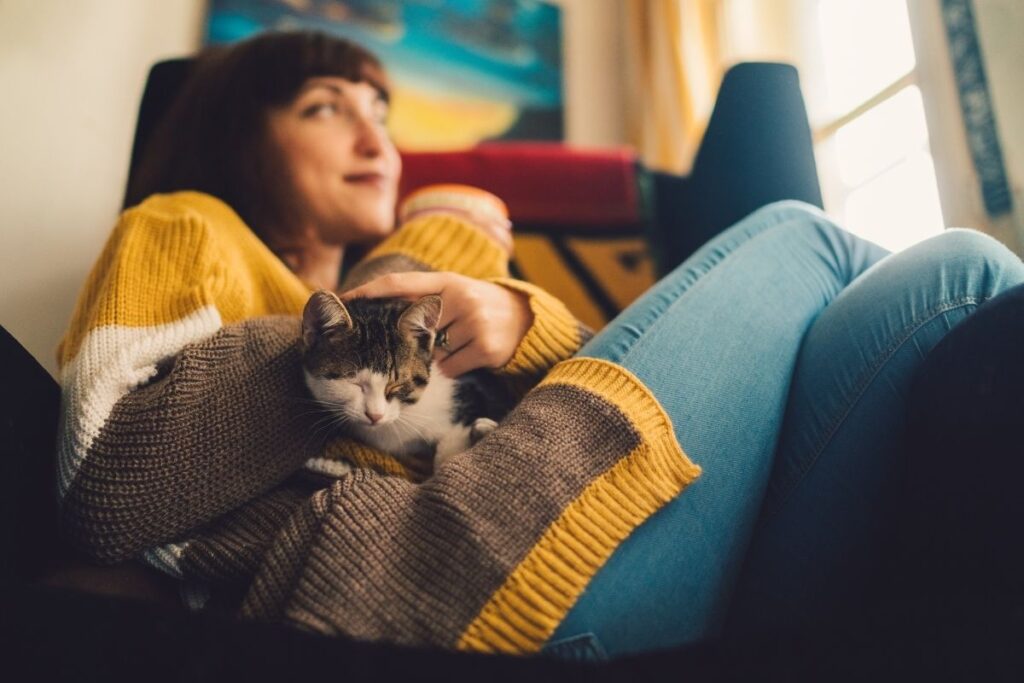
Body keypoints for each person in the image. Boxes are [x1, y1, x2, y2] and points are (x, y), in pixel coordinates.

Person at [50, 30, 1024, 662]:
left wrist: (520, 324)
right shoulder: (185, 227)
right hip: (445, 583)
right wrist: (424, 254)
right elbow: (108, 483)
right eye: (324, 107)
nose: (374, 134)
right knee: (813, 236)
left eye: (379, 109)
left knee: (948, 277)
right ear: (236, 138)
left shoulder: (363, 294)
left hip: (594, 544)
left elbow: (612, 409)